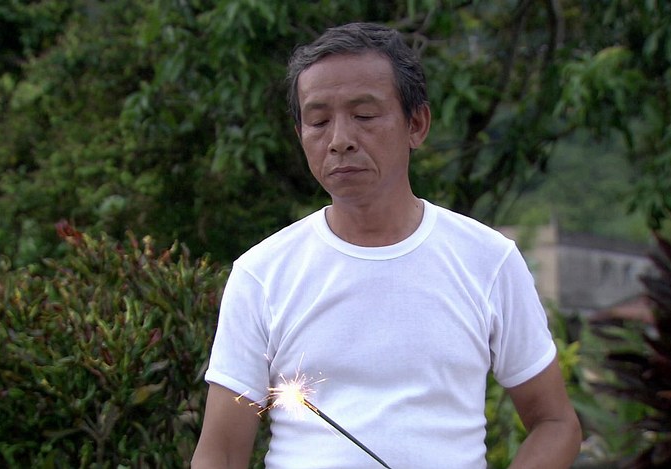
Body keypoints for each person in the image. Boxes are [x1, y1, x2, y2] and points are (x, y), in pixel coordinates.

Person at [191, 22, 581, 469]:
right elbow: (221, 452)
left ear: (416, 124)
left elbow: (556, 423)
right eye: (318, 121)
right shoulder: (262, 274)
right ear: (300, 135)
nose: (340, 140)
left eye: (364, 115)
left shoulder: (488, 261)